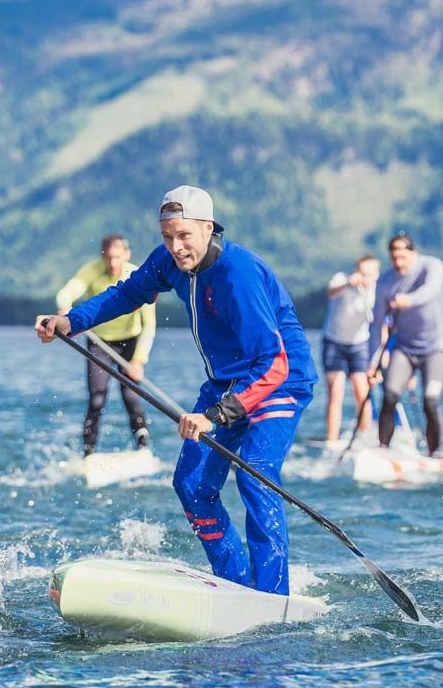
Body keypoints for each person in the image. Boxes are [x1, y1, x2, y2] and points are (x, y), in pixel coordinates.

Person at [36, 186, 316, 596]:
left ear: (207, 228)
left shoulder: (238, 274)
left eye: (184, 235)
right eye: (167, 236)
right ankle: (237, 583)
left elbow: (273, 364)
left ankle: (273, 594)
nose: (176, 246)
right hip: (226, 382)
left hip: (278, 382)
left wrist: (216, 416)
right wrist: (71, 322)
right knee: (191, 485)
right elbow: (127, 294)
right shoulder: (167, 262)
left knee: (255, 474)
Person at [56, 234, 156, 454]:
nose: (113, 263)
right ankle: (89, 453)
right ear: (103, 256)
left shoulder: (137, 275)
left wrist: (139, 360)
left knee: (130, 395)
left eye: (118, 257)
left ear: (127, 255)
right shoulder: (91, 271)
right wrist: (65, 309)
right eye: (109, 258)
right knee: (97, 398)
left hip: (131, 342)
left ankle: (142, 448)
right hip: (99, 343)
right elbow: (66, 293)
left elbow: (149, 324)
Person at [367, 233, 443, 456]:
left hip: (436, 349)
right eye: (394, 258)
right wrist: (373, 362)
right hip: (405, 348)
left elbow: (431, 291)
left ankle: (436, 453)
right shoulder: (385, 282)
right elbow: (375, 325)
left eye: (403, 257)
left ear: (414, 253)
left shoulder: (432, 267)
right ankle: (382, 450)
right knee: (389, 397)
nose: (399, 263)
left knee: (430, 401)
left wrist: (409, 300)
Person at [321, 255, 379, 444]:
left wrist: (378, 359)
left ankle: (364, 439)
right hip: (334, 341)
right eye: (361, 273)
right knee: (335, 393)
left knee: (362, 392)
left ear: (376, 275)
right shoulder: (342, 279)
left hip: (360, 344)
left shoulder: (377, 291)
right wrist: (347, 283)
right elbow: (330, 292)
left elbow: (382, 325)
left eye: (368, 274)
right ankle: (332, 441)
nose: (364, 278)